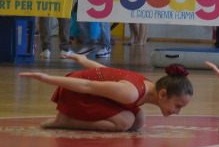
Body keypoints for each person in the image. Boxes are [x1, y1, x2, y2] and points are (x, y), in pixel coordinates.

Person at [19, 55, 193, 132]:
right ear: (162, 94)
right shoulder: (131, 93)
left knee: (139, 120)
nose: (177, 112)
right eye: (177, 106)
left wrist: (85, 61)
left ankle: (69, 119)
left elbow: (106, 72)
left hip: (90, 91)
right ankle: (64, 121)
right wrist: (47, 78)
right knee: (125, 121)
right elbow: (87, 85)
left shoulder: (146, 88)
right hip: (77, 91)